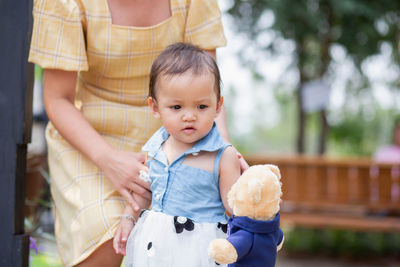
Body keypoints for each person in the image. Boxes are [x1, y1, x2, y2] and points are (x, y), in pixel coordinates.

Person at [28, 0, 248, 266]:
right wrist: (109, 159)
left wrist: (222, 152)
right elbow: (57, 99)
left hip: (173, 136)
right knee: (104, 241)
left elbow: (206, 89)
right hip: (89, 139)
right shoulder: (66, 3)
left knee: (183, 243)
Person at [112, 43, 241, 266]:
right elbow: (145, 192)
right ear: (155, 107)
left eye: (201, 107)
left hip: (202, 250)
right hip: (156, 246)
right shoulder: (155, 149)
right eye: (177, 107)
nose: (189, 116)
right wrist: (128, 218)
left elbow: (236, 208)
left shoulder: (222, 155)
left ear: (218, 106)